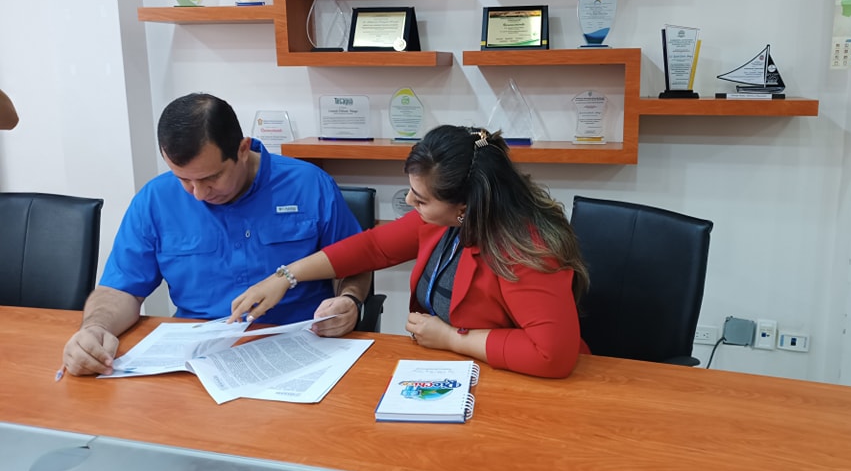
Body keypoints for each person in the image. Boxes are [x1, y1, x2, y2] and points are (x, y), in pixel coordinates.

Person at [232, 125, 589, 379]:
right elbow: (371, 247)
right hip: (450, 370)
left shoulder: (527, 249)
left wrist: (451, 339)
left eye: (420, 199)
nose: (408, 201)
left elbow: (551, 355)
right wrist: (286, 276)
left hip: (517, 379)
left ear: (464, 206)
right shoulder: (442, 220)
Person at [62, 92, 370, 376]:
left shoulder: (309, 185)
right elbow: (121, 289)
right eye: (183, 179)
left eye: (211, 178)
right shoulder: (155, 199)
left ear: (242, 149)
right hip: (197, 361)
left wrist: (350, 300)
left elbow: (355, 264)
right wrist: (95, 328)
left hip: (299, 350)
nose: (198, 194)